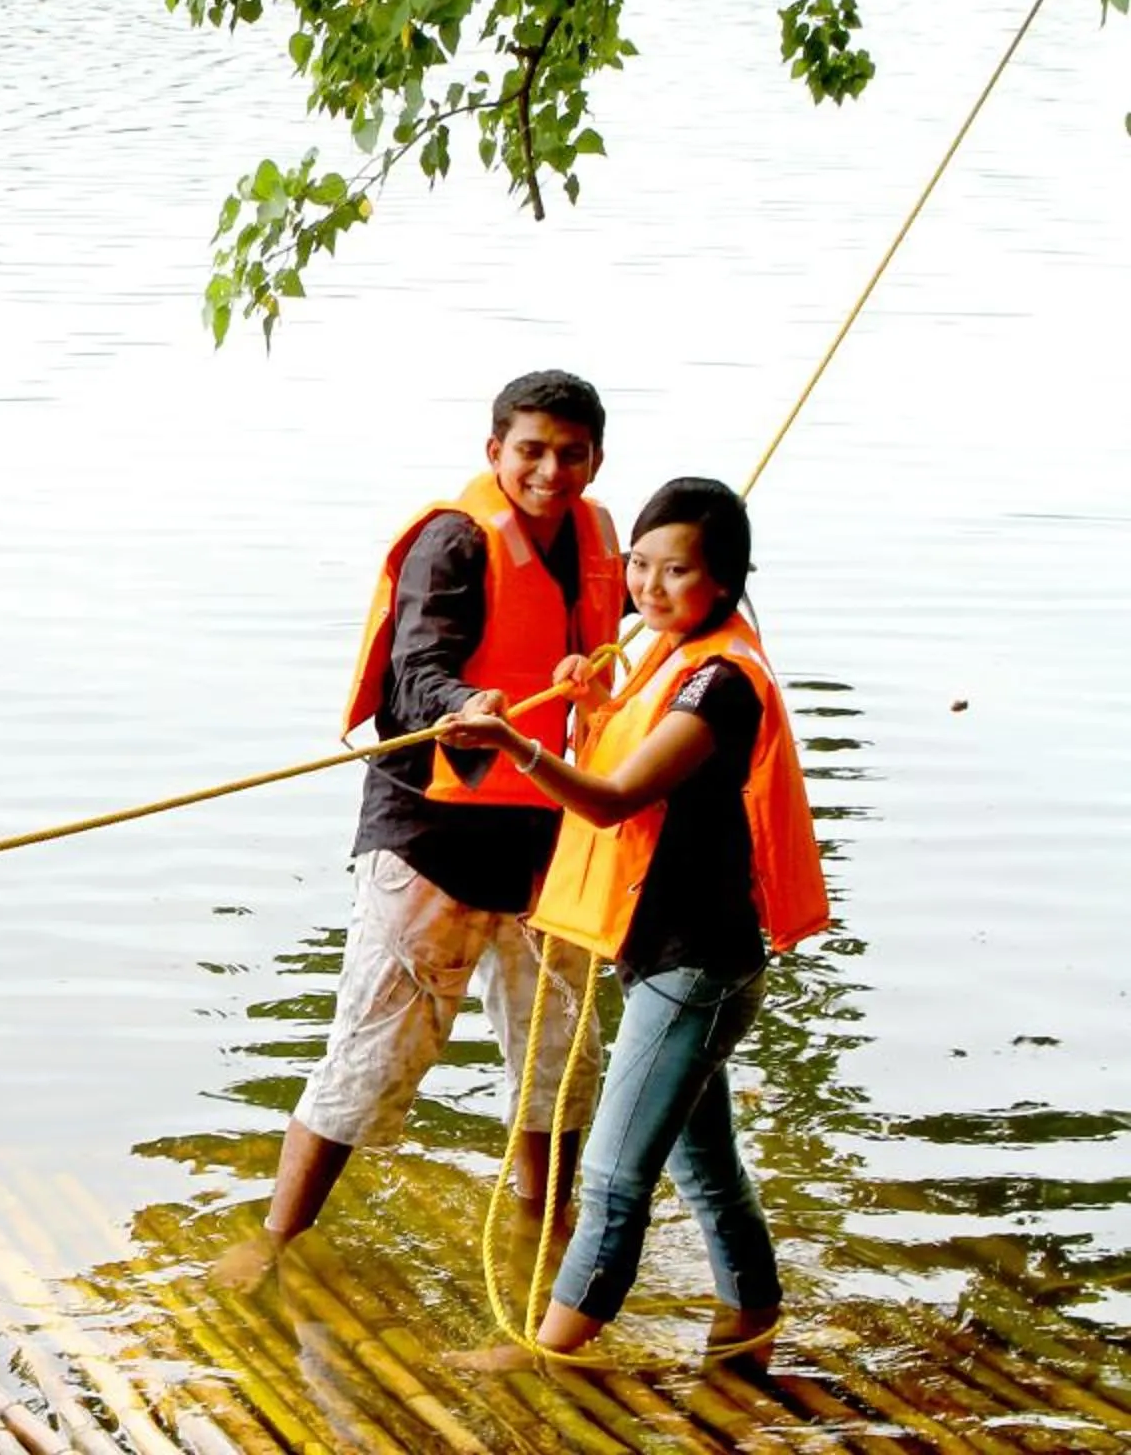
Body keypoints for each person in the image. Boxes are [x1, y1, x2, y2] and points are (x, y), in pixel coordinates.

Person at [215, 371, 624, 1290]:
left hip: (548, 841)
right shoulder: (454, 543)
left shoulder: (602, 540)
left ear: (597, 459)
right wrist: (464, 703)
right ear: (495, 453)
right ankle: (278, 1236)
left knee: (559, 1062)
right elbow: (415, 675)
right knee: (372, 1047)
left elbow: (645, 618)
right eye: (531, 451)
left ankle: (540, 1240)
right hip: (430, 834)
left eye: (571, 453)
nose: (551, 471)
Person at [438, 476, 830, 1366]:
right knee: (705, 1164)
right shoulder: (665, 655)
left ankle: (549, 1352)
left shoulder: (722, 683)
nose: (651, 590)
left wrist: (512, 744)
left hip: (695, 966)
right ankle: (753, 1322)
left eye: (677, 572)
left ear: (724, 583)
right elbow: (622, 761)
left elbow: (615, 800)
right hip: (674, 958)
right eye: (640, 567)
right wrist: (585, 704)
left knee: (614, 1178)